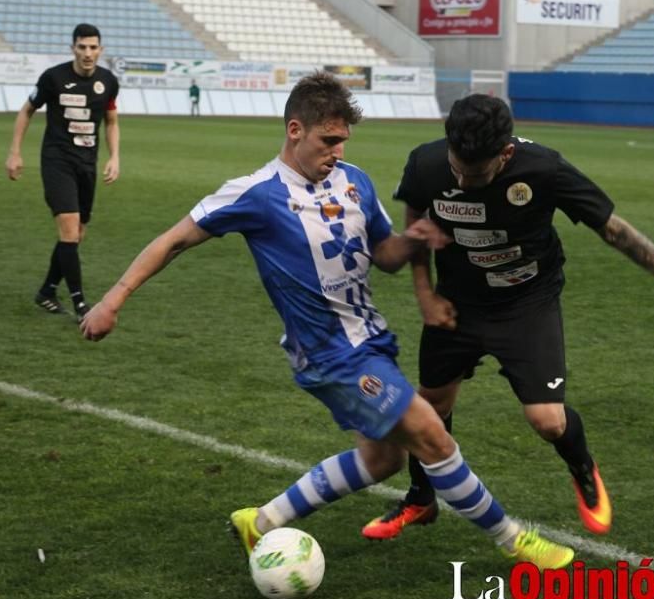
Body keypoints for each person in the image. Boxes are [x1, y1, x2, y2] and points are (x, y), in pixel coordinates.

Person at [78, 72, 576, 571]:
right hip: (328, 353)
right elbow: (174, 240)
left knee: (383, 461)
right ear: (295, 130)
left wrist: (415, 238)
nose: (336, 150)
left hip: (370, 339)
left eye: (342, 141)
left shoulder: (354, 181)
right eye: (328, 140)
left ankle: (262, 522)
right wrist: (114, 298)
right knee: (433, 436)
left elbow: (384, 254)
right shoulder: (257, 193)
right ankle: (514, 540)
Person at [359, 93, 654, 542]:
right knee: (431, 404)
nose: (462, 179)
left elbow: (614, 230)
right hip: (457, 302)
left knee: (547, 421)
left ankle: (582, 469)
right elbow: (416, 225)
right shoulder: (427, 164)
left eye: (475, 174)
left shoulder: (544, 170)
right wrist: (424, 294)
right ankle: (421, 499)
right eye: (457, 166)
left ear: (505, 154)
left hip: (527, 303)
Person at [6, 23, 120, 321]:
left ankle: (47, 291)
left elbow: (111, 121)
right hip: (57, 161)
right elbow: (26, 111)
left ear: (101, 50)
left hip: (87, 164)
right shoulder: (53, 78)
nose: (87, 53)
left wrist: (115, 156)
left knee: (76, 235)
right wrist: (15, 152)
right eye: (82, 47)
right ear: (73, 48)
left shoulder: (108, 81)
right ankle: (81, 304)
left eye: (93, 47)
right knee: (69, 229)